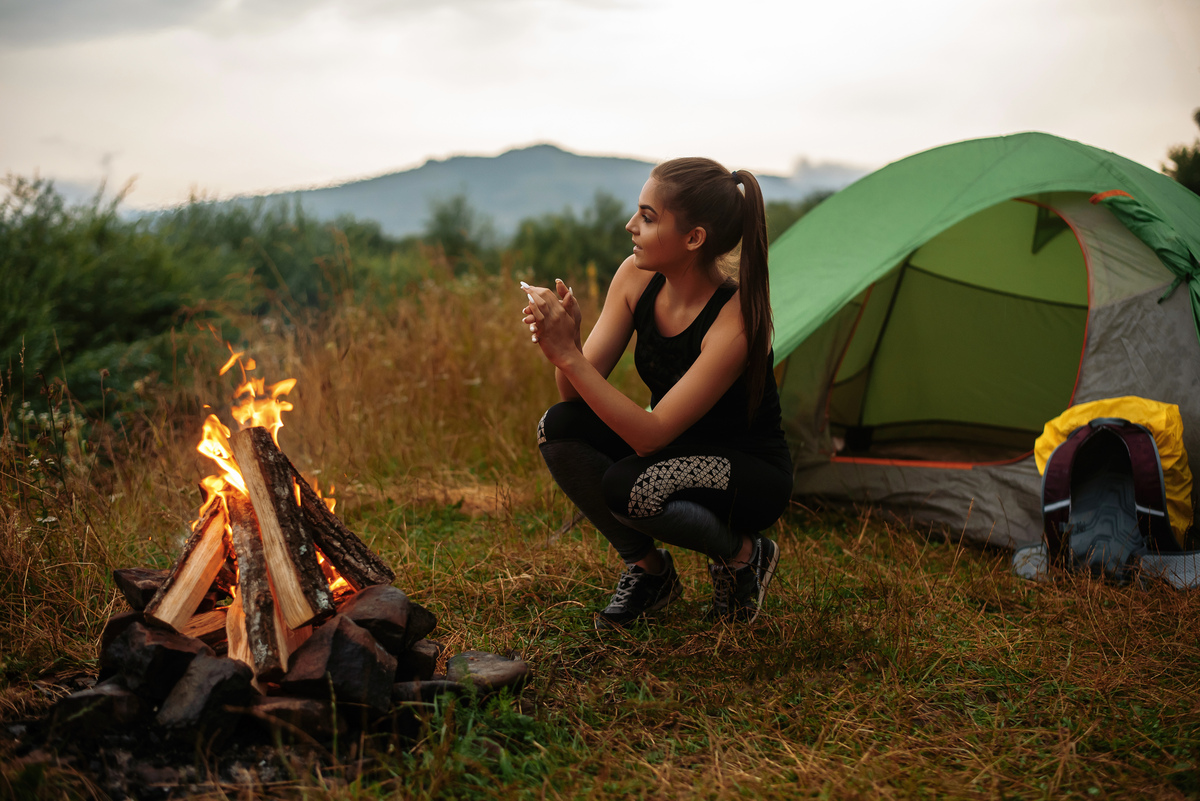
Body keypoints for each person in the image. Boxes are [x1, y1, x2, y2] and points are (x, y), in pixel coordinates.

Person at [520, 157, 793, 629]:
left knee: (632, 488)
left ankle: (745, 555)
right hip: (677, 451)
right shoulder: (635, 277)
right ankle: (650, 574)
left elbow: (651, 436)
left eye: (647, 217)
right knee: (558, 427)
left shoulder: (736, 320)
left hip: (747, 471)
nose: (630, 225)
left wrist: (571, 355)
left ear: (694, 238)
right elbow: (573, 397)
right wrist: (564, 344)